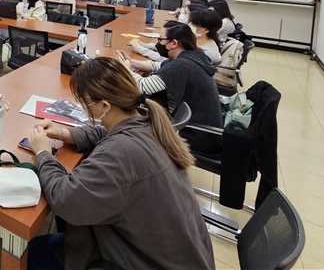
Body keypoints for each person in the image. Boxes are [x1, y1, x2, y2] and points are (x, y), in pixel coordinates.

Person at [27, 57, 215, 270]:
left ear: (105, 106)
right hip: (175, 253)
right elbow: (106, 132)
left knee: (36, 251)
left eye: (85, 102)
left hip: (143, 261)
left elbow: (64, 199)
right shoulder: (147, 119)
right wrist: (64, 133)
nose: (83, 107)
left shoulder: (119, 153)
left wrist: (43, 153)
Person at [116, 23, 222, 153]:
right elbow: (156, 66)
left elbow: (143, 87)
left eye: (161, 40)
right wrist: (131, 62)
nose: (158, 43)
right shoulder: (193, 56)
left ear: (174, 43)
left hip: (196, 136)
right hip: (203, 129)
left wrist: (125, 69)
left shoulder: (182, 65)